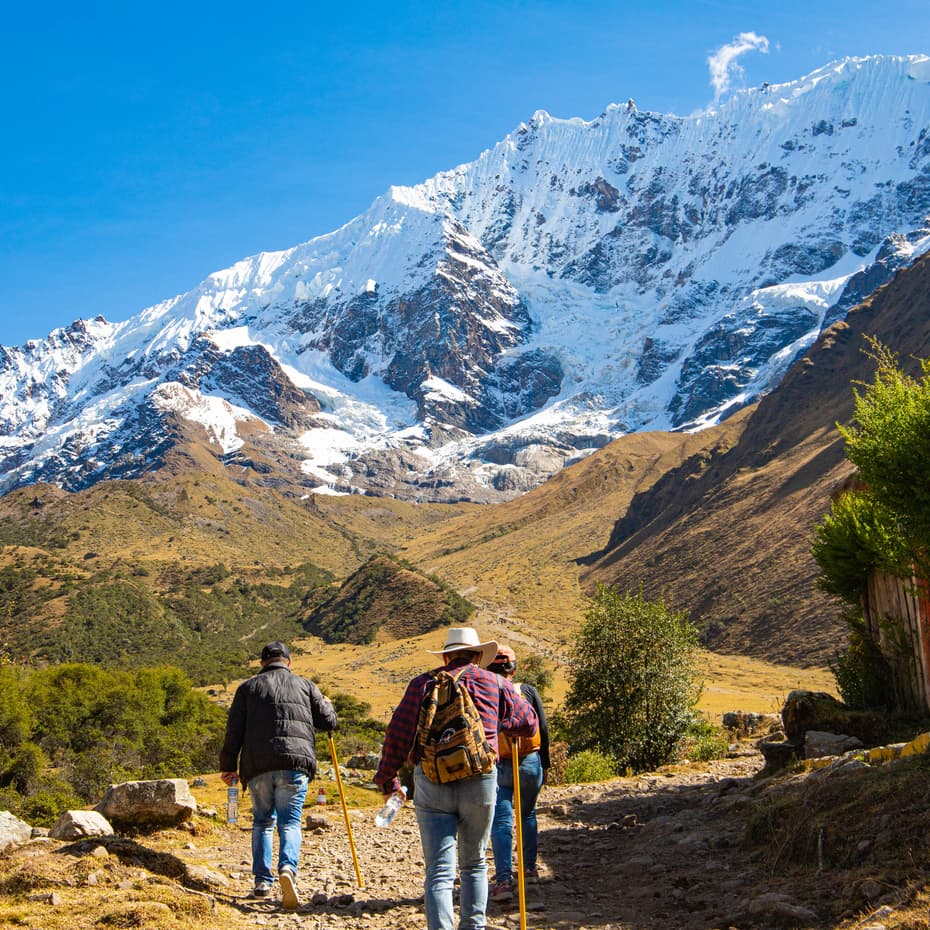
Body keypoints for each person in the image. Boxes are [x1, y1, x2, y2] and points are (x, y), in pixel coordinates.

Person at [375, 627, 538, 930]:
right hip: (480, 780)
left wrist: (389, 782)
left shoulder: (422, 685)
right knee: (474, 863)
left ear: (446, 655)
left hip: (432, 779)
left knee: (439, 870)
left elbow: (397, 735)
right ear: (477, 656)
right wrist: (503, 720)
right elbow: (529, 724)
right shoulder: (494, 683)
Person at [219, 641, 337, 910]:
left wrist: (228, 766)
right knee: (290, 822)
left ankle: (262, 881)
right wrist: (328, 705)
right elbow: (328, 722)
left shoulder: (247, 688)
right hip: (295, 764)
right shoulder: (306, 685)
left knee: (262, 822)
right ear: (289, 662)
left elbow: (233, 731)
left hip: (258, 765)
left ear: (262, 663)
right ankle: (287, 869)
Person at [487, 645, 550, 902]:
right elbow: (542, 729)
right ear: (514, 668)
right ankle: (529, 869)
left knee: (501, 820)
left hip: (500, 763)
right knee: (528, 814)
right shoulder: (527, 691)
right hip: (530, 762)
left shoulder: (486, 692)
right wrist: (545, 765)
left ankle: (503, 880)